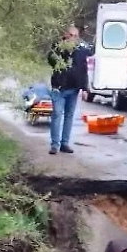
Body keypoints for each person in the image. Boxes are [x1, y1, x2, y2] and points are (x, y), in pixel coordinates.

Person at [47, 25, 90, 156]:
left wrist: (85, 88)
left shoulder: (81, 50)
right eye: (71, 35)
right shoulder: (57, 48)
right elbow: (51, 60)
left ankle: (64, 143)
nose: (73, 38)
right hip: (59, 89)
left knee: (69, 116)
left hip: (74, 88)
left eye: (76, 36)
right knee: (57, 115)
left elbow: (84, 69)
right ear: (65, 35)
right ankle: (55, 145)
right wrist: (62, 47)